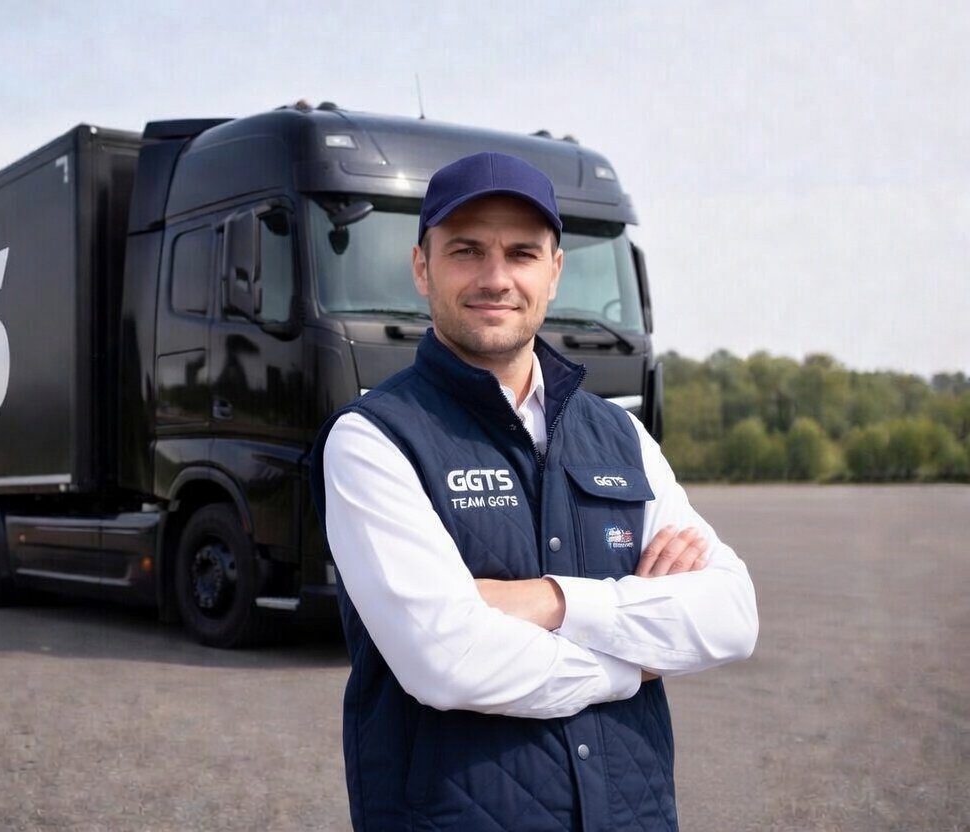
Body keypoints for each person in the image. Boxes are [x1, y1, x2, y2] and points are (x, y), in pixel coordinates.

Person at [311, 152, 759, 831]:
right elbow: (448, 661)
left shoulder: (621, 436)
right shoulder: (373, 439)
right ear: (422, 267)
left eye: (522, 253)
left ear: (553, 272)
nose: (496, 278)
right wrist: (633, 661)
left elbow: (730, 614)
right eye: (466, 251)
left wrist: (550, 601)